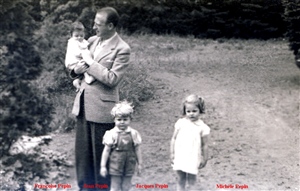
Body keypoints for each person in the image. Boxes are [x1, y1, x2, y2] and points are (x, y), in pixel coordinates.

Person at [69, 7, 131, 190]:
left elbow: (112, 79)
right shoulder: (91, 41)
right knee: (83, 158)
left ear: (110, 26)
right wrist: (75, 72)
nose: (94, 27)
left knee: (100, 159)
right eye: (94, 23)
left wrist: (90, 63)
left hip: (102, 110)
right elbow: (76, 68)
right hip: (83, 106)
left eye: (98, 24)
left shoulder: (122, 49)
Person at [170, 94, 210, 191]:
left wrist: (205, 158)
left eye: (194, 111)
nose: (191, 114)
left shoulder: (202, 127)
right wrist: (172, 153)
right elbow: (174, 138)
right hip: (180, 155)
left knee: (192, 180)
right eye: (188, 111)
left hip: (193, 157)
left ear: (200, 111)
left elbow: (205, 145)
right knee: (180, 179)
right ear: (185, 111)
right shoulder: (180, 123)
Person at [100, 101, 142, 191]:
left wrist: (140, 164)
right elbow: (106, 150)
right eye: (119, 120)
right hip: (116, 165)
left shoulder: (133, 134)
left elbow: (137, 149)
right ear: (114, 120)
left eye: (125, 119)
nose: (122, 122)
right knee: (115, 186)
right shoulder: (112, 134)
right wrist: (103, 166)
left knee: (126, 186)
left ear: (130, 119)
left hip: (129, 164)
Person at [65, 21, 95, 92]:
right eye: (76, 36)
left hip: (79, 59)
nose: (79, 37)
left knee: (84, 65)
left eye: (81, 35)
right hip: (73, 61)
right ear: (71, 35)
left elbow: (86, 47)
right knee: (83, 65)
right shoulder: (72, 42)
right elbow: (76, 53)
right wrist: (84, 54)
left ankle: (76, 82)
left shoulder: (83, 41)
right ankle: (87, 77)